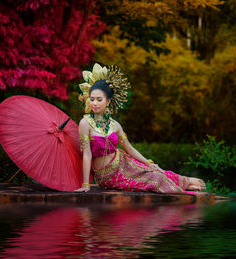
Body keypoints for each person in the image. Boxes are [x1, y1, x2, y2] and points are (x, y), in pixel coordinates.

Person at [74, 63, 206, 193]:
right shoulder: (85, 123)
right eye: (92, 99)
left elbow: (129, 149)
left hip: (123, 163)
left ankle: (186, 183)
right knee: (155, 179)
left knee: (154, 171)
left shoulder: (115, 125)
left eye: (99, 99)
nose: (94, 103)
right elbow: (87, 154)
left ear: (108, 101)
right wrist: (86, 184)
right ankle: (183, 188)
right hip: (107, 177)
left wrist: (148, 162)